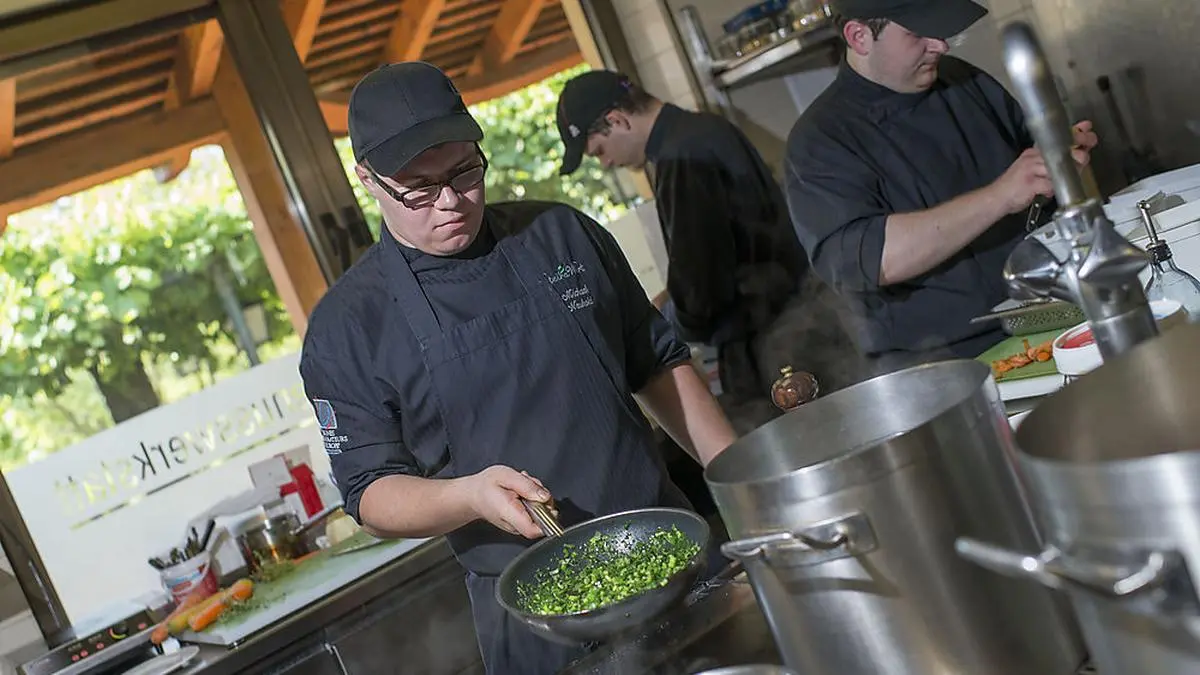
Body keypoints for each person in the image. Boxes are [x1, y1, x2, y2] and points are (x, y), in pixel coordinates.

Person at [298, 61, 738, 675]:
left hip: (671, 561)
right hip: (540, 623)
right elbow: (370, 491)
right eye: (418, 189)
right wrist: (470, 495)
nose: (449, 202)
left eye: (463, 172)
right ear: (367, 180)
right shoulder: (347, 328)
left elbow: (658, 365)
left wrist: (750, 486)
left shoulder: (561, 235)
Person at [784, 0, 1099, 372]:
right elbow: (874, 259)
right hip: (944, 364)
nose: (941, 45)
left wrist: (1057, 162)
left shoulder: (964, 81)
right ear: (859, 36)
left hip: (1048, 320)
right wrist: (1001, 196)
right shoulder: (820, 141)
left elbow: (1032, 181)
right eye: (918, 33)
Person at [555, 70, 868, 425]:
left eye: (598, 151)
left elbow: (700, 288)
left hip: (776, 347)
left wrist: (659, 326)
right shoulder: (701, 130)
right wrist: (669, 299)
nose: (607, 163)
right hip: (802, 327)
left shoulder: (681, 158)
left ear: (617, 120)